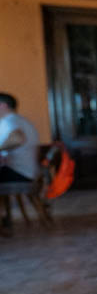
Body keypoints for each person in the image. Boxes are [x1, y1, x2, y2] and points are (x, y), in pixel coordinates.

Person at [0, 92, 41, 232]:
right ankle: (4, 217)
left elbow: (18, 139)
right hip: (28, 172)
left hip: (20, 173)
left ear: (3, 105)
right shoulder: (19, 120)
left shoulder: (10, 121)